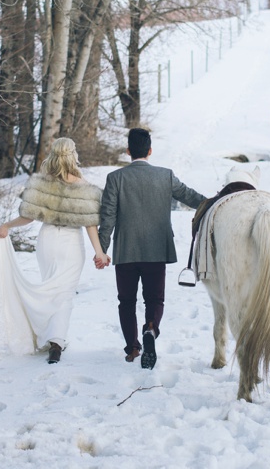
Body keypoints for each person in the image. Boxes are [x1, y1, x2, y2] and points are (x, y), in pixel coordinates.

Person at [0, 137, 110, 364]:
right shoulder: (83, 186)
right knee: (64, 293)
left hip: (47, 241)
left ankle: (48, 335)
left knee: (50, 288)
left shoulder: (41, 183)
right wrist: (100, 252)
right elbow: (90, 224)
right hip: (70, 244)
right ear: (72, 155)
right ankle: (56, 342)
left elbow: (28, 215)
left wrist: (8, 225)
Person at [97, 128, 206, 369]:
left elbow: (108, 217)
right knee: (155, 299)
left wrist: (101, 250)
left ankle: (133, 348)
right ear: (150, 151)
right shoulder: (165, 176)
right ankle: (151, 329)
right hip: (156, 251)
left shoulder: (115, 178)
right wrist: (215, 201)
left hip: (125, 251)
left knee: (126, 301)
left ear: (128, 151)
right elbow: (190, 197)